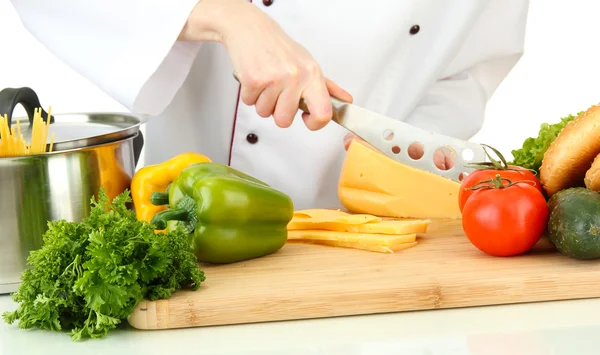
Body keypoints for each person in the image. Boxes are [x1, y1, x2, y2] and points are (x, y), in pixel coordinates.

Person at [10, 0, 530, 210]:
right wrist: (223, 14)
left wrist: (411, 138)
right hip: (188, 224)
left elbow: (472, 61)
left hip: (370, 242)